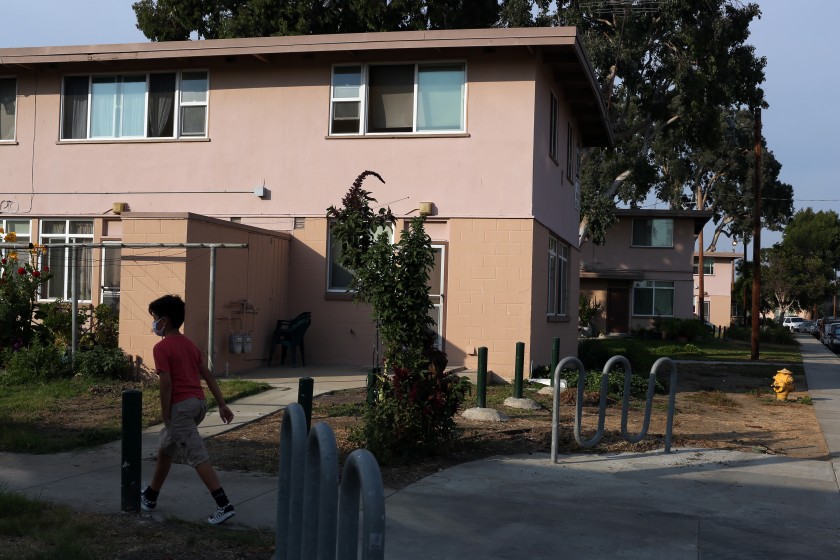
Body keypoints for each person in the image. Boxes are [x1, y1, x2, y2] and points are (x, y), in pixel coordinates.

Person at [141, 294, 236, 525]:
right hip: (198, 405)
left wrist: (166, 414)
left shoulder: (162, 348)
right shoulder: (189, 344)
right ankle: (151, 495)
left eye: (155, 318)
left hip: (180, 409)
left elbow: (166, 384)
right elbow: (207, 375)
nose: (153, 323)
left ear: (165, 321)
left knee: (196, 455)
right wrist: (222, 404)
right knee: (166, 447)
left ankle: (223, 504)